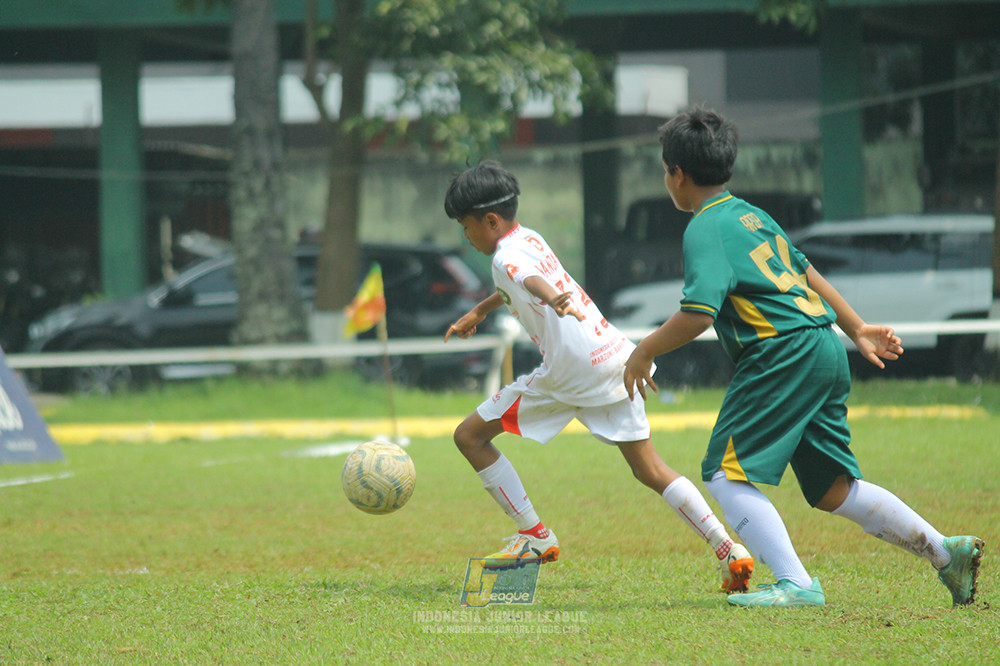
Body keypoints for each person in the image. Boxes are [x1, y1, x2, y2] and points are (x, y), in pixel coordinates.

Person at [623, 106, 984, 608]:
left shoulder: (704, 228)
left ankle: (795, 583)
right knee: (833, 489)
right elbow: (807, 273)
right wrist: (854, 326)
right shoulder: (753, 215)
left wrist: (642, 352)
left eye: (666, 171)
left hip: (780, 354)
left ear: (677, 174)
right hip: (822, 346)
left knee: (724, 473)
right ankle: (947, 554)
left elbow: (699, 313)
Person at [443, 160, 754, 594]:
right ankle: (728, 550)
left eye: (465, 226)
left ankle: (533, 536)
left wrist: (554, 299)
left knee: (469, 437)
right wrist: (480, 310)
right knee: (650, 469)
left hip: (571, 371)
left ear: (490, 220)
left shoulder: (504, 256)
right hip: (616, 357)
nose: (466, 235)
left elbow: (528, 280)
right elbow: (519, 282)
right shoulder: (527, 237)